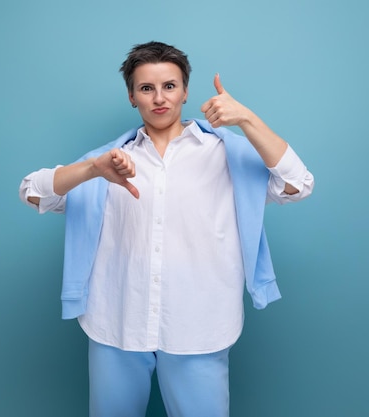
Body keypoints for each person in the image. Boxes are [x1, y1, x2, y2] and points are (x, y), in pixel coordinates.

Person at [19, 41, 314, 417]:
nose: (159, 98)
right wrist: (92, 169)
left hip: (200, 326)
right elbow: (31, 191)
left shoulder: (226, 154)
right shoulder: (110, 161)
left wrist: (247, 120)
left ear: (185, 91)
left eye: (169, 86)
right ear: (132, 97)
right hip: (117, 325)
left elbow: (299, 183)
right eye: (146, 88)